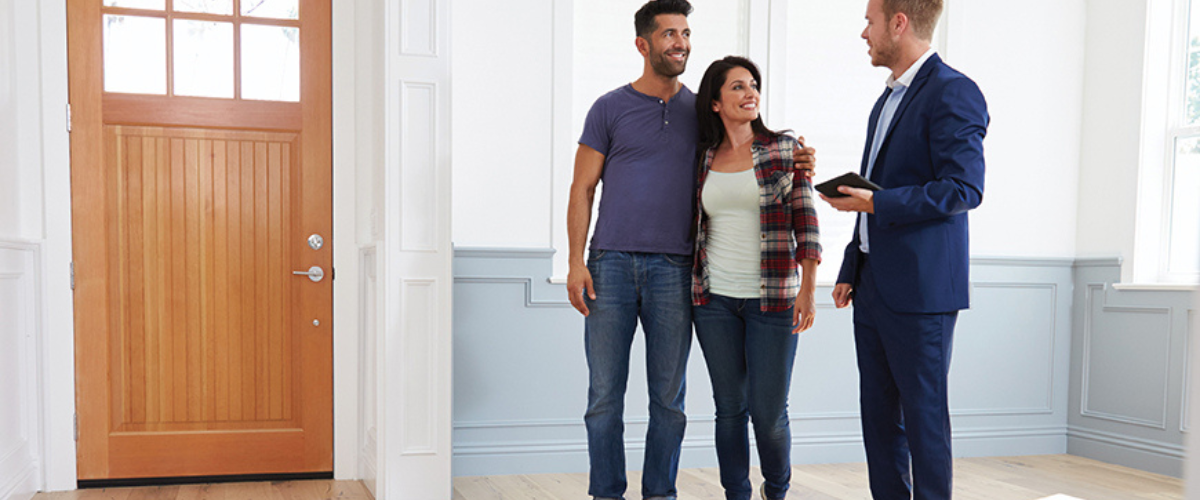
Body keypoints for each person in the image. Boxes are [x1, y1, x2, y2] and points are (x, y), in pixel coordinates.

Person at [565, 2, 818, 499]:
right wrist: (575, 261)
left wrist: (799, 157)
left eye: (685, 33)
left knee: (669, 401)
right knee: (603, 399)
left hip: (677, 270)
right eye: (669, 34)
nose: (680, 42)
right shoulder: (608, 108)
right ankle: (606, 493)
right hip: (610, 264)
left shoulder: (703, 111)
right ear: (643, 44)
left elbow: (748, 146)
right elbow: (582, 187)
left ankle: (660, 493)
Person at [820, 0, 988, 498]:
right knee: (878, 419)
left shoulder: (954, 91)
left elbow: (964, 189)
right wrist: (853, 264)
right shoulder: (887, 99)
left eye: (869, 21)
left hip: (922, 290)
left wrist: (878, 202)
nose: (863, 33)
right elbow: (875, 190)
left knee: (924, 419)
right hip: (872, 285)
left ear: (899, 23)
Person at [690, 56, 820, 500]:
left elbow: (807, 223)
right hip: (714, 301)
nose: (751, 94)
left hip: (774, 300)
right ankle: (736, 494)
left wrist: (808, 290)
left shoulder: (784, 150)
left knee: (768, 413)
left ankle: (777, 491)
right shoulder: (702, 158)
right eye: (738, 87)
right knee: (728, 410)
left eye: (754, 86)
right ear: (715, 103)